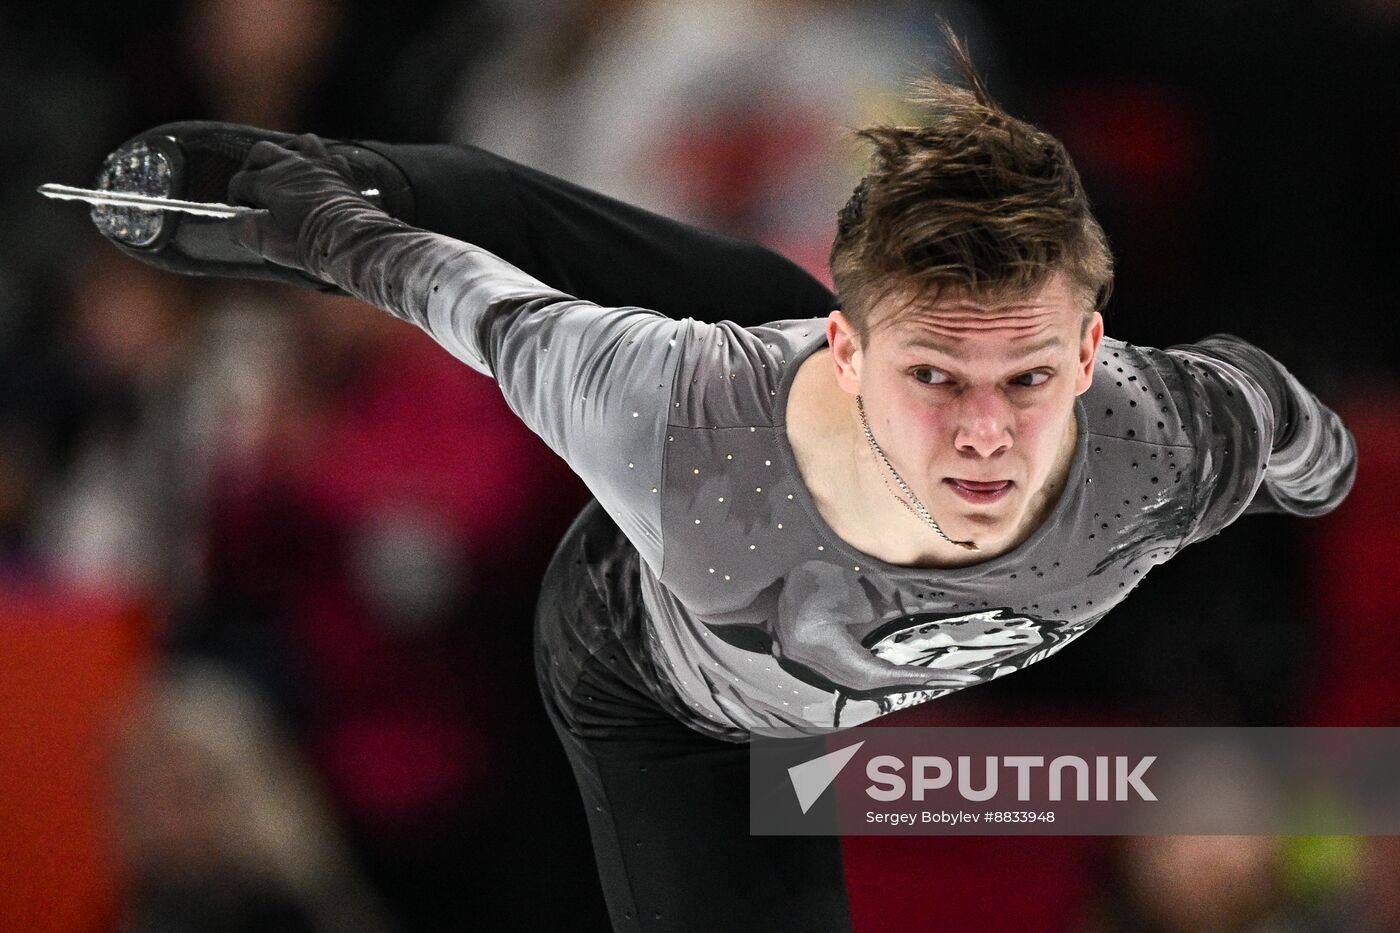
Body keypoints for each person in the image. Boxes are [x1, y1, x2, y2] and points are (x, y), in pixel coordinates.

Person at [92, 29, 1356, 933]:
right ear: (855, 356)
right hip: (648, 664)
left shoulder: (1159, 436)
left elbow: (1284, 420)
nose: (984, 440)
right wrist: (289, 212)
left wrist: (1319, 473)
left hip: (802, 622)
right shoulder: (667, 409)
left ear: (1087, 355)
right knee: (632, 288)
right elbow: (471, 279)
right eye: (933, 381)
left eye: (1025, 382)